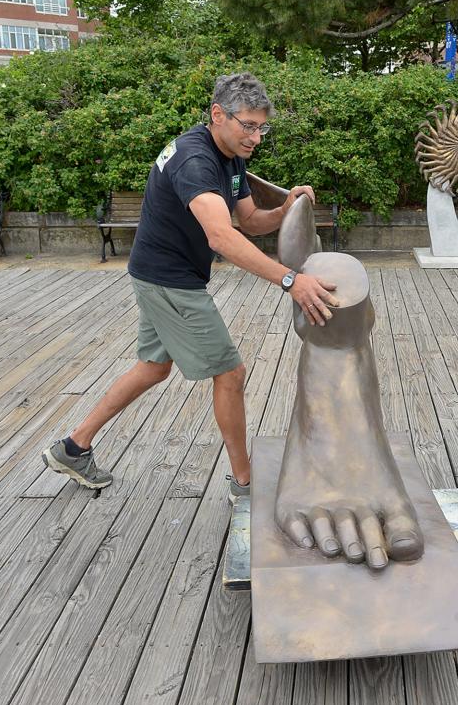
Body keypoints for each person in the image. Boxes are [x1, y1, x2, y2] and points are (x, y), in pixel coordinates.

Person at [42, 72, 339, 500]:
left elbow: (251, 222)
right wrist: (290, 280)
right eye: (248, 125)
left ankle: (74, 447)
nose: (255, 137)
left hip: (160, 272)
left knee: (153, 368)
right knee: (231, 374)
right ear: (218, 115)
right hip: (170, 281)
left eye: (261, 127)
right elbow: (220, 237)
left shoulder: (232, 155)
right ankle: (244, 483)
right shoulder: (194, 161)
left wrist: (285, 208)